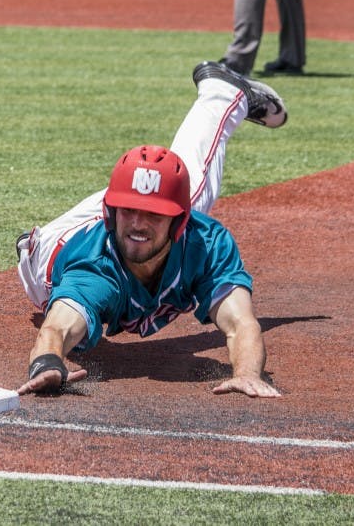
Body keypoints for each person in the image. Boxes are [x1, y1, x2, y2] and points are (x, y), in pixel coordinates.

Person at [16, 60, 286, 398]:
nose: (140, 224)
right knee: (185, 188)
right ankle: (222, 93)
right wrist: (47, 365)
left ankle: (219, 97)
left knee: (181, 190)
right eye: (129, 212)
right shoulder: (94, 270)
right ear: (111, 213)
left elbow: (240, 322)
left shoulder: (205, 242)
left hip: (130, 219)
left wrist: (247, 373)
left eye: (155, 215)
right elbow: (55, 328)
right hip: (53, 250)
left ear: (178, 222)